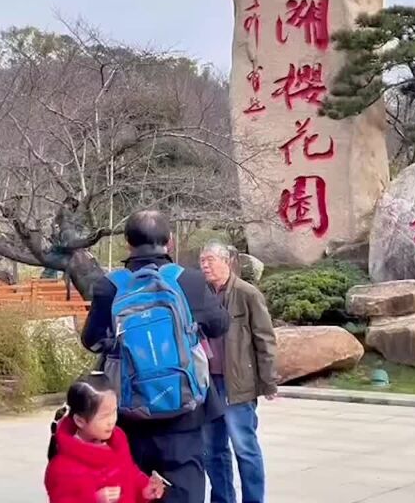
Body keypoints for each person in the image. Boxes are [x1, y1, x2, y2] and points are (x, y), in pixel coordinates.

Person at [82, 210, 230, 503]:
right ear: (170, 242)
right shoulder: (189, 281)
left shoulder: (110, 286)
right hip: (184, 411)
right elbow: (220, 324)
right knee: (184, 491)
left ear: (127, 243)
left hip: (129, 414)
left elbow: (91, 340)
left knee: (132, 490)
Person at [198, 243, 276, 503]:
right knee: (213, 449)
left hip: (237, 384)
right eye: (202, 261)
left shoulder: (247, 294)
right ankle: (222, 498)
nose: (205, 265)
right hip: (209, 385)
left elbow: (264, 338)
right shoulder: (201, 295)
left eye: (209, 260)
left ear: (226, 261)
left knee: (245, 448)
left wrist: (268, 381)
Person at [45, 374, 167, 503]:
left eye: (114, 412)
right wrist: (94, 499)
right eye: (104, 416)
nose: (111, 421)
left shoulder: (117, 443)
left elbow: (131, 474)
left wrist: (144, 489)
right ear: (80, 421)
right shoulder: (62, 468)